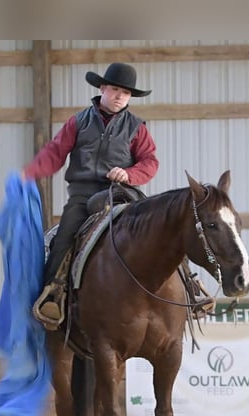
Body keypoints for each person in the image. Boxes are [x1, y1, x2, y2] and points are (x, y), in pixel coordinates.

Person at [24, 62, 159, 327]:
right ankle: (53, 294)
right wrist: (29, 173)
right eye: (115, 89)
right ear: (102, 89)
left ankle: (188, 288)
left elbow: (150, 162)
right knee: (63, 238)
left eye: (126, 92)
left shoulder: (137, 127)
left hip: (122, 193)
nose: (120, 96)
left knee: (159, 228)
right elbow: (55, 152)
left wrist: (128, 174)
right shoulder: (78, 121)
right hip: (83, 195)